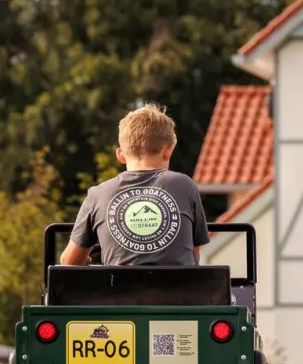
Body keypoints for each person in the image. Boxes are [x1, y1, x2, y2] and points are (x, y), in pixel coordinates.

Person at [60, 104, 210, 266]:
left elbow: (69, 263)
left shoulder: (98, 194)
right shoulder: (185, 185)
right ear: (168, 151)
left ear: (121, 155)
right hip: (178, 291)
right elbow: (194, 255)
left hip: (118, 290)